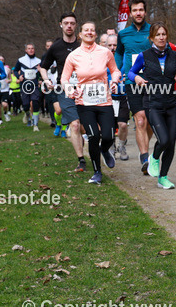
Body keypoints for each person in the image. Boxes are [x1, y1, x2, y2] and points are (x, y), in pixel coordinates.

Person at [127, 23, 176, 189]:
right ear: (152, 37)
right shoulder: (144, 55)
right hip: (153, 103)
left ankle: (163, 177)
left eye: (164, 34)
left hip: (171, 104)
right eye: (158, 35)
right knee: (163, 139)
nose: (161, 37)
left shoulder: (174, 55)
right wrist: (136, 79)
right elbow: (130, 72)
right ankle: (154, 158)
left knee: (171, 142)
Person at [62, 22, 123, 185]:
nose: (89, 32)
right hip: (84, 103)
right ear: (80, 34)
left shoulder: (105, 52)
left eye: (92, 30)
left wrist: (115, 80)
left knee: (109, 135)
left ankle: (105, 149)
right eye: (86, 30)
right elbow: (64, 78)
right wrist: (69, 89)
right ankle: (97, 172)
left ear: (96, 35)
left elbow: (115, 70)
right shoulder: (73, 56)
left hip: (104, 101)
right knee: (94, 135)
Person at [40, 13, 87, 171]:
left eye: (72, 23)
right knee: (74, 125)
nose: (69, 26)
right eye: (66, 23)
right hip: (64, 89)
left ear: (76, 25)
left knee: (83, 127)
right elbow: (43, 67)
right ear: (60, 24)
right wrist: (47, 80)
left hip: (84, 89)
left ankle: (81, 138)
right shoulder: (56, 46)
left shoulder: (83, 44)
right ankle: (81, 160)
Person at [116, 0, 154, 173]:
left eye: (141, 10)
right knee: (140, 119)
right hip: (132, 82)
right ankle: (145, 157)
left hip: (153, 81)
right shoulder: (123, 34)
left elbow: (163, 50)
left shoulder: (153, 31)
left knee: (150, 122)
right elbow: (119, 53)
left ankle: (148, 151)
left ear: (145, 12)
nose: (138, 13)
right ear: (130, 13)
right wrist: (117, 71)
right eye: (135, 10)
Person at [100, 31, 130, 160]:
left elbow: (133, 71)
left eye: (115, 45)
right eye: (110, 45)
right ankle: (111, 146)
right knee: (110, 125)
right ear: (106, 46)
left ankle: (122, 146)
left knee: (122, 124)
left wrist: (127, 77)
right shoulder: (101, 59)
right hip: (107, 96)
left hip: (123, 95)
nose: (113, 48)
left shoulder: (125, 58)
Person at [14, 43, 44, 131]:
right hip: (24, 85)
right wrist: (18, 76)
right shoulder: (21, 60)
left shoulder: (38, 61)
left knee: (35, 103)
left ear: (34, 50)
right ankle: (27, 115)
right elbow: (15, 70)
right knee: (26, 105)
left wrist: (40, 72)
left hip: (34, 85)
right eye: (29, 48)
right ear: (26, 50)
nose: (31, 50)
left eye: (32, 48)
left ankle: (35, 125)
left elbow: (43, 71)